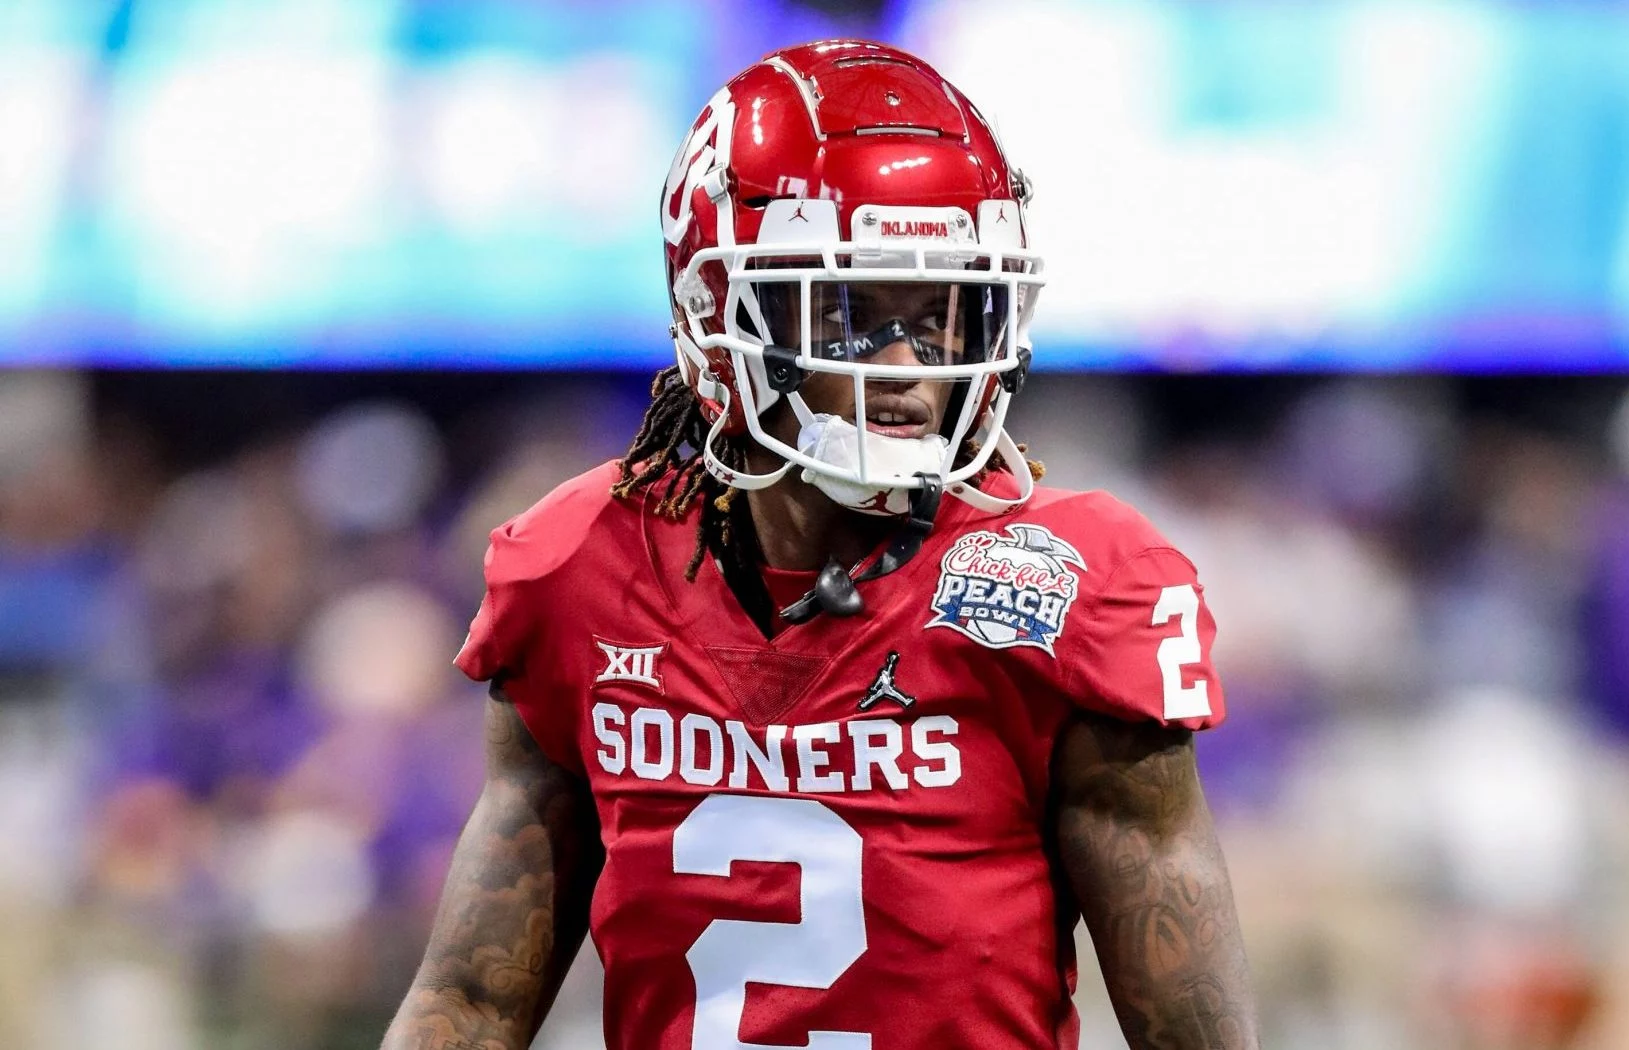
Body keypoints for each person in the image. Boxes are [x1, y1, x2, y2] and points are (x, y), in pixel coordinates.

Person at [383, 39, 1260, 1050]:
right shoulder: (581, 568)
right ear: (716, 315)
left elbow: (1193, 1035)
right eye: (850, 315)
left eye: (943, 315)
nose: (909, 366)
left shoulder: (1067, 586)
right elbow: (472, 999)